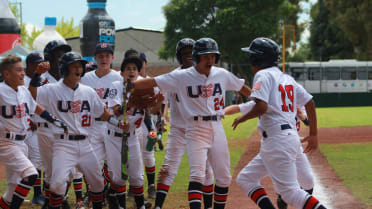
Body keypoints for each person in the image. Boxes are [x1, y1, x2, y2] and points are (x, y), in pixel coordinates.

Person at [133, 37, 251, 209]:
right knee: (185, 172)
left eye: (212, 56)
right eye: (204, 56)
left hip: (214, 125)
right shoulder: (179, 76)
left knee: (217, 175)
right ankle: (159, 205)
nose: (209, 60)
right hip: (188, 128)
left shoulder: (220, 74)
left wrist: (259, 101)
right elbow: (154, 89)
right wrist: (130, 85)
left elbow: (243, 89)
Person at [232, 37, 326, 209]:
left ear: (257, 59)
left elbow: (261, 106)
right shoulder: (285, 77)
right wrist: (313, 134)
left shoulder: (262, 74)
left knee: (290, 193)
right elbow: (309, 102)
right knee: (245, 178)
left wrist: (242, 118)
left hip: (277, 140)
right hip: (286, 139)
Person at [29, 51, 129, 209]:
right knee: (56, 185)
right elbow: (32, 96)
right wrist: (36, 76)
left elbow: (103, 113)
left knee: (97, 184)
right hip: (63, 145)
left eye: (80, 66)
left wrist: (118, 123)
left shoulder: (87, 91)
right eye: (74, 66)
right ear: (64, 69)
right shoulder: (51, 89)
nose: (78, 69)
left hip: (86, 145)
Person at [154, 38, 214, 209]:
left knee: (206, 171)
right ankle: (158, 206)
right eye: (184, 53)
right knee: (168, 168)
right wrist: (161, 117)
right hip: (179, 129)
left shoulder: (206, 75)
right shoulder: (173, 76)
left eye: (191, 53)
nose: (188, 56)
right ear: (179, 56)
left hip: (201, 129)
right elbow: (162, 101)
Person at [0, 55, 66, 209]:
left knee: (11, 192)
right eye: (18, 70)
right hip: (5, 142)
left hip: (21, 142)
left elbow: (35, 106)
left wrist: (53, 119)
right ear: (7, 74)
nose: (23, 74)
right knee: (31, 175)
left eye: (23, 70)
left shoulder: (23, 90)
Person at [105, 55, 163, 209]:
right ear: (122, 72)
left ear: (138, 72)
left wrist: (157, 103)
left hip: (132, 136)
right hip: (114, 137)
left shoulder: (143, 88)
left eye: (134, 69)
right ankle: (113, 196)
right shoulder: (116, 85)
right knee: (119, 178)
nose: (131, 71)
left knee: (137, 177)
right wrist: (132, 102)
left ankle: (140, 206)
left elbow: (149, 114)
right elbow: (117, 111)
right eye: (128, 68)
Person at [32, 40, 84, 209]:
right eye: (58, 54)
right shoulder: (42, 77)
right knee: (51, 172)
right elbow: (31, 97)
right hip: (46, 130)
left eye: (63, 54)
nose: (61, 57)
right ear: (48, 57)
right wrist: (37, 76)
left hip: (65, 130)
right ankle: (53, 202)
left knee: (69, 171)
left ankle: (55, 200)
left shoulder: (67, 78)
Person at [80, 42, 122, 208]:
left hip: (112, 125)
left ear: (112, 57)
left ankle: (112, 194)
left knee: (115, 169)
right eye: (101, 56)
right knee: (92, 166)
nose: (104, 58)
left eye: (107, 55)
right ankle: (95, 194)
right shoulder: (85, 79)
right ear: (95, 58)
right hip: (92, 125)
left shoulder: (119, 78)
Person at [24, 52, 47, 205]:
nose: (39, 66)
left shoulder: (44, 79)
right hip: (24, 126)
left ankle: (37, 194)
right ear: (29, 64)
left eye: (41, 63)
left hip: (38, 125)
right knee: (23, 161)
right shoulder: (21, 79)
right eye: (36, 63)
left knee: (37, 159)